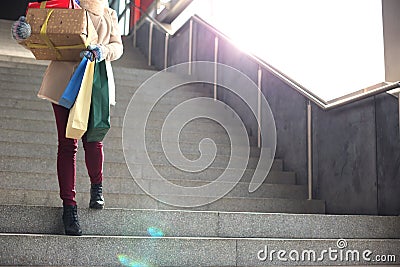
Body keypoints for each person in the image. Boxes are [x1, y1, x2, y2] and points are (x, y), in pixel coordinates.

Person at [11, 0, 123, 236]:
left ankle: (97, 186)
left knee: (93, 140)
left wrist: (104, 51)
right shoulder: (61, 5)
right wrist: (23, 34)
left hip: (95, 82)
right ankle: (69, 207)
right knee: (66, 145)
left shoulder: (108, 12)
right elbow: (41, 35)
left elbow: (117, 46)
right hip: (63, 82)